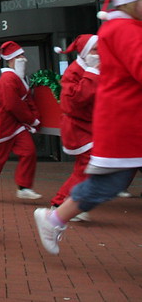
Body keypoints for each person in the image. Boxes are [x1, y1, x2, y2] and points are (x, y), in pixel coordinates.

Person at [34, 0, 142, 255]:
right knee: (99, 179)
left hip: (108, 126)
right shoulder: (119, 33)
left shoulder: (121, 32)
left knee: (104, 179)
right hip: (95, 128)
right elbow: (74, 101)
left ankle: (56, 215)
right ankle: (56, 211)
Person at [0, 41, 42, 202]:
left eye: (23, 55)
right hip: (1, 126)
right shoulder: (8, 79)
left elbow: (25, 101)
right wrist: (32, 119)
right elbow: (13, 105)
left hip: (16, 125)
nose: (23, 59)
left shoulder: (18, 78)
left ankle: (24, 187)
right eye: (19, 56)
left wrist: (33, 118)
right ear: (11, 59)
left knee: (28, 151)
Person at [49, 35, 99, 220]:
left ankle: (70, 202)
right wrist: (93, 74)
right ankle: (61, 202)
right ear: (85, 52)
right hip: (78, 128)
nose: (99, 54)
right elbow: (72, 102)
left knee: (86, 167)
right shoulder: (75, 71)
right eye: (95, 50)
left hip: (90, 126)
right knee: (86, 166)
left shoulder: (93, 69)